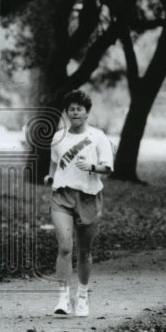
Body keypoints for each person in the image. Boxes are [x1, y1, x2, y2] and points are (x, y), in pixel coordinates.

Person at [44, 90, 113, 316]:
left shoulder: (98, 137)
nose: (75, 113)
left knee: (85, 251)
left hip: (89, 197)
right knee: (65, 247)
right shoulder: (58, 137)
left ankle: (82, 297)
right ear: (67, 112)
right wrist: (50, 176)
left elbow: (108, 168)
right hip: (62, 196)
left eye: (79, 109)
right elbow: (54, 163)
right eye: (71, 109)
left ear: (87, 112)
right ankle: (63, 299)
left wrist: (91, 167)